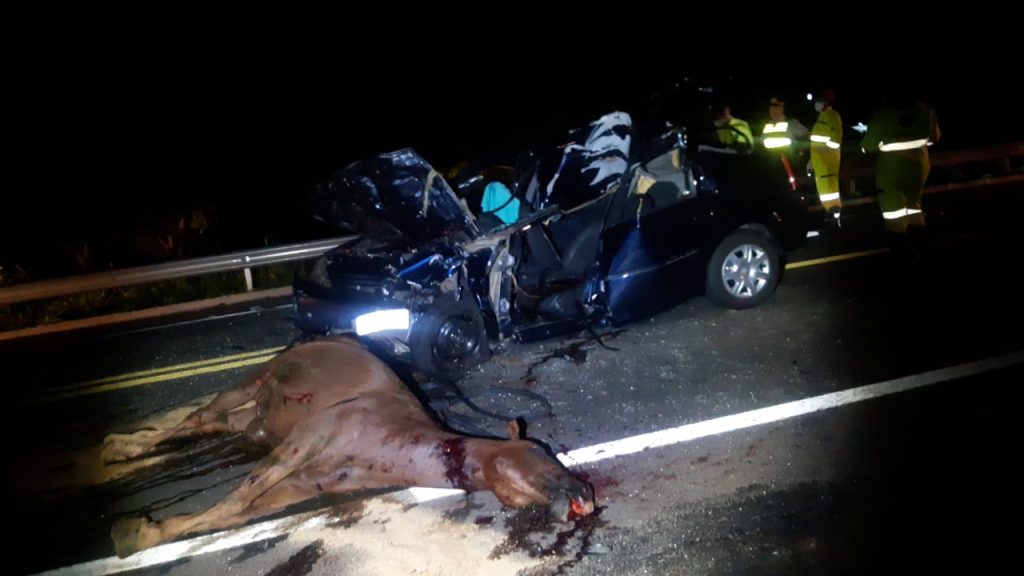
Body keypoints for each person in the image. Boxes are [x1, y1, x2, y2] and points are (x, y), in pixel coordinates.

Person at [860, 94, 941, 235]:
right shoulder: (925, 111)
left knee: (893, 211)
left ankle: (898, 242)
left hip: (891, 171)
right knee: (914, 205)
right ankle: (918, 245)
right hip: (919, 168)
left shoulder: (882, 117)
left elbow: (867, 146)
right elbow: (934, 138)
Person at [809, 89, 843, 218]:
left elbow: (836, 140)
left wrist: (825, 151)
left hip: (828, 164)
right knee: (825, 193)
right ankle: (830, 217)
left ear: (826, 102)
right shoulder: (821, 117)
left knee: (831, 194)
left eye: (818, 101)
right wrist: (811, 162)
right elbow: (816, 143)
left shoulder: (832, 116)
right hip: (820, 165)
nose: (816, 104)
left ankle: (835, 218)